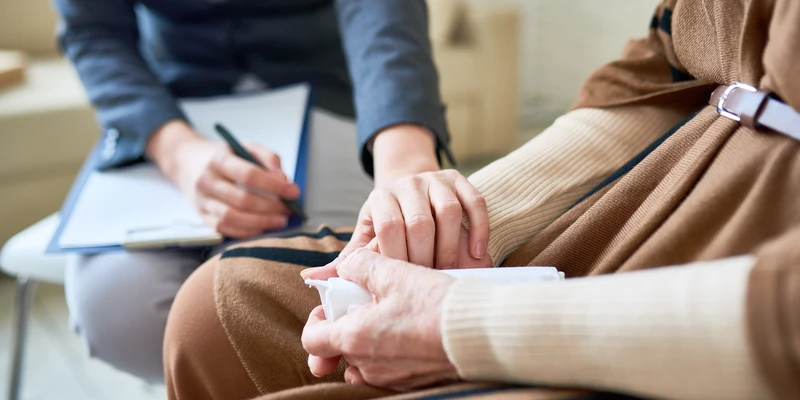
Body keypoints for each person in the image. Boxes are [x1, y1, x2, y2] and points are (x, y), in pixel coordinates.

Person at [163, 0, 800, 399]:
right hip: (649, 194)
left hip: (752, 307)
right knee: (213, 310)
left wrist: (462, 326)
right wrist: (461, 220)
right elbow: (665, 68)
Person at [54, 0, 490, 382]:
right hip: (167, 111)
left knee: (315, 301)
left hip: (326, 92)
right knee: (116, 314)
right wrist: (178, 153)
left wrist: (404, 161)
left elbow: (380, 12)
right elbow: (93, 30)